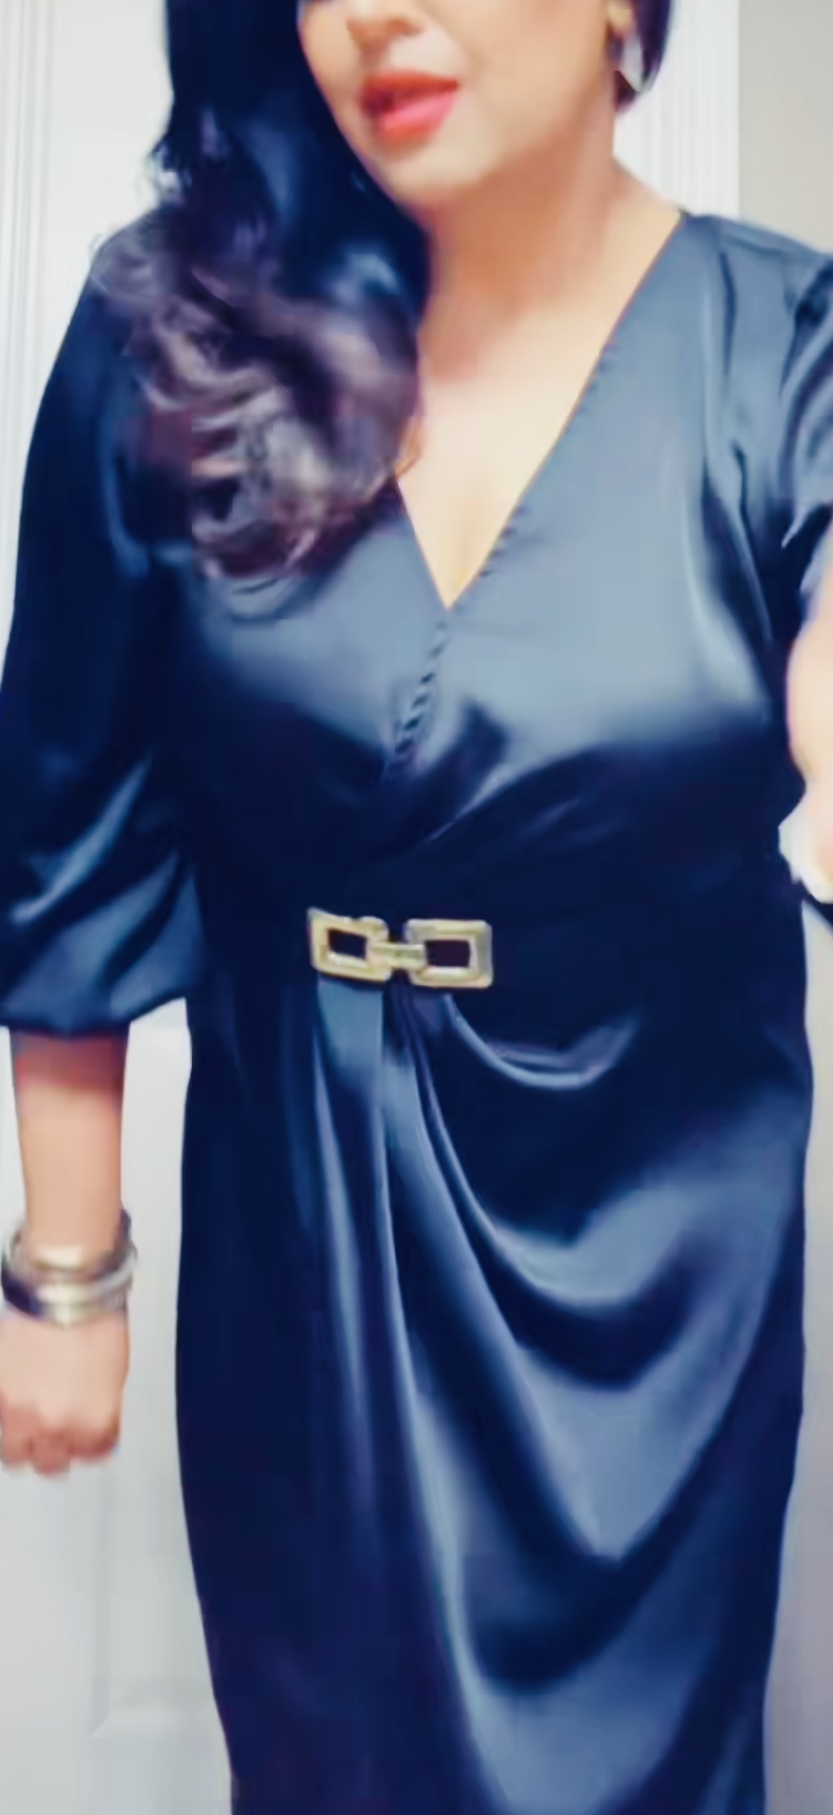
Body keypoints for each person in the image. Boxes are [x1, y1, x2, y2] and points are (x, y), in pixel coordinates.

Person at [1, 0, 833, 1808]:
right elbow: (65, 822)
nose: (372, 10)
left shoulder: (787, 350)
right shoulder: (171, 340)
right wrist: (66, 1275)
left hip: (650, 1229)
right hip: (304, 1201)